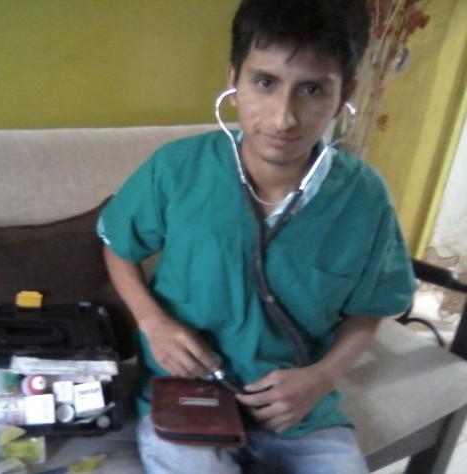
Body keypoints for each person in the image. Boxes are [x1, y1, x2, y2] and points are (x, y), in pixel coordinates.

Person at [97, 0, 416, 472]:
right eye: (265, 82)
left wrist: (322, 377)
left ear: (344, 93)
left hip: (300, 413)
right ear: (234, 80)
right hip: (186, 399)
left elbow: (370, 306)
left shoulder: (363, 196)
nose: (284, 118)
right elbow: (117, 247)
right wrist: (153, 323)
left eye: (312, 89)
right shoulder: (176, 169)